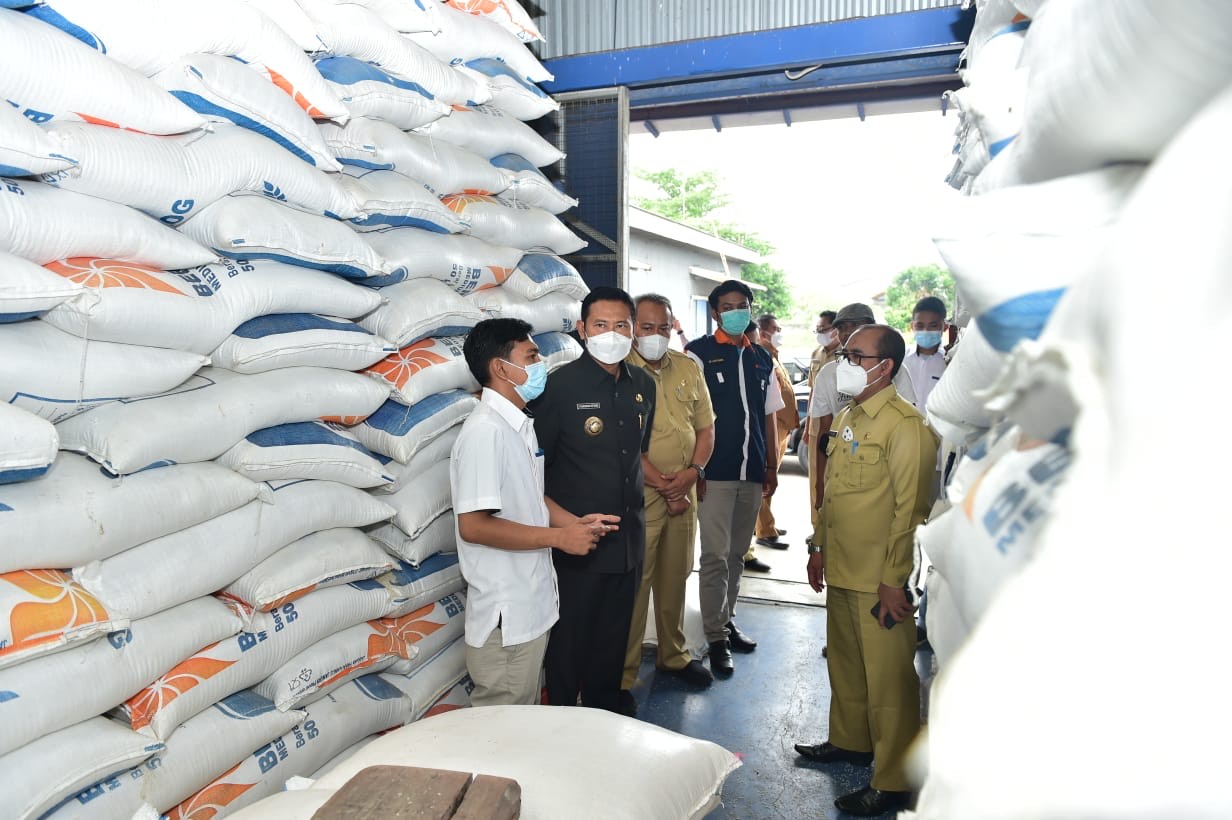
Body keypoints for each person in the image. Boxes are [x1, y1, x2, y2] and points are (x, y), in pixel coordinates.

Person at [795, 325, 938, 817]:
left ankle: (894, 778)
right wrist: (817, 547)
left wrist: (895, 580)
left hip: (880, 577)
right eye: (844, 354)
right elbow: (833, 494)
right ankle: (851, 741)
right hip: (842, 566)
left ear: (885, 367)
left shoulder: (906, 426)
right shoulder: (849, 416)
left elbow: (910, 512)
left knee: (889, 682)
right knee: (846, 665)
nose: (845, 364)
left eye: (856, 356)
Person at [451, 318, 620, 707]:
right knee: (504, 732)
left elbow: (531, 497)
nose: (540, 363)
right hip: (507, 616)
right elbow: (474, 526)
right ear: (501, 368)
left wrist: (575, 525)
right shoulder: (485, 432)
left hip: (530, 606)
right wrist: (560, 539)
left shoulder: (517, 425)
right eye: (531, 356)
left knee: (522, 721)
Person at [530, 286, 656, 716]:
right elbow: (534, 471)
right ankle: (563, 719)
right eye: (601, 325)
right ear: (582, 330)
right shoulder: (558, 387)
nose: (612, 334)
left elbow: (636, 455)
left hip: (627, 541)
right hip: (577, 543)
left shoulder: (643, 385)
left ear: (633, 331)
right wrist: (564, 526)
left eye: (621, 325)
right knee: (569, 644)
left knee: (613, 642)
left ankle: (604, 712)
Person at [685, 280, 785, 677]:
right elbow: (690, 418)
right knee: (714, 556)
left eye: (742, 305)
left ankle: (726, 621)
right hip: (715, 472)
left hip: (752, 471)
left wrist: (771, 465)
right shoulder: (698, 354)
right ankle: (715, 638)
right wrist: (696, 468)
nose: (735, 312)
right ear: (714, 313)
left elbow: (769, 416)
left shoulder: (761, 358)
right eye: (727, 306)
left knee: (736, 555)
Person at [622, 294, 717, 698]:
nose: (656, 335)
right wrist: (666, 484)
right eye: (647, 328)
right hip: (639, 495)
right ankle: (624, 673)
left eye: (663, 327)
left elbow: (706, 429)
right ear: (632, 329)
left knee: (676, 576)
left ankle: (673, 654)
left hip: (685, 489)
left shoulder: (687, 367)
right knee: (635, 585)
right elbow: (622, 442)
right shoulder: (619, 370)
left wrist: (693, 474)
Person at [807, 303, 916, 514]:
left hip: (880, 468)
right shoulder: (828, 375)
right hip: (840, 465)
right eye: (841, 328)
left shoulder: (893, 369)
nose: (847, 333)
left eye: (855, 326)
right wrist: (820, 485)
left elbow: (907, 423)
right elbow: (825, 435)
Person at [753, 313, 799, 551]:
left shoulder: (773, 356)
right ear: (763, 333)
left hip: (782, 427)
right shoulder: (760, 357)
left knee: (771, 482)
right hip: (772, 426)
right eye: (776, 329)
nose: (780, 333)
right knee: (765, 481)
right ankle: (765, 531)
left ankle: (764, 523)